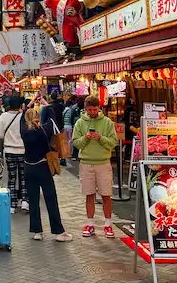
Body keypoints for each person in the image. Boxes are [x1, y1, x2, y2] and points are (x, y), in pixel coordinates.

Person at [21, 108, 73, 242]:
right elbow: (52, 116)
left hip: (28, 167)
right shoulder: (44, 130)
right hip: (43, 167)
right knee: (51, 199)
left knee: (33, 200)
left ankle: (37, 231)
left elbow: (22, 117)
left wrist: (29, 106)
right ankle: (58, 232)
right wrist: (46, 104)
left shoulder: (24, 131)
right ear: (38, 117)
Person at [72, 95, 118, 238]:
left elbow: (113, 142)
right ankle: (90, 223)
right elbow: (75, 143)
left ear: (99, 108)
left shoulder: (107, 122)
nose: (92, 112)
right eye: (90, 110)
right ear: (85, 109)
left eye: (95, 109)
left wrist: (101, 138)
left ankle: (108, 224)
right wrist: (86, 138)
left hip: (103, 162)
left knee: (106, 195)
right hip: (86, 163)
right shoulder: (80, 122)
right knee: (89, 194)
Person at [0, 96, 27, 213]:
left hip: (9, 150)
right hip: (23, 150)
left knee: (12, 177)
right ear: (20, 105)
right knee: (24, 177)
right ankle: (25, 201)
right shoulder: (23, 116)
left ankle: (12, 205)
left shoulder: (3, 116)